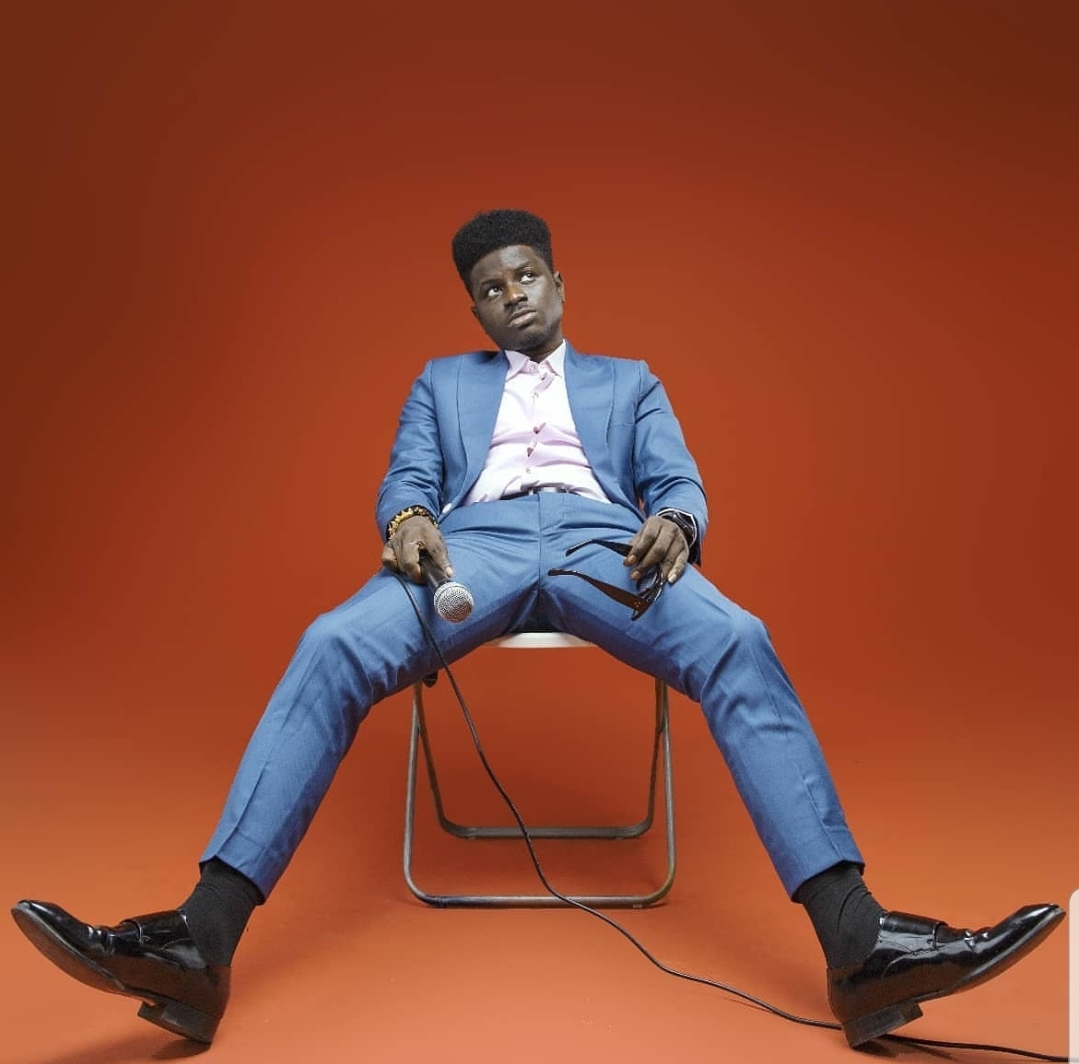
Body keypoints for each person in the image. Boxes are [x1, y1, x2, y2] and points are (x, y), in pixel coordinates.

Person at [11, 209, 1063, 1050]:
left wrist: (677, 521)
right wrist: (407, 519)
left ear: (559, 282)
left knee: (739, 637)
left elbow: (678, 477)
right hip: (474, 548)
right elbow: (406, 476)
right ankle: (198, 947)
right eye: (489, 287)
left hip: (610, 545)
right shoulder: (440, 382)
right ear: (474, 306)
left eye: (525, 276)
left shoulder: (629, 381)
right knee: (331, 642)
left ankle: (858, 947)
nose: (510, 293)